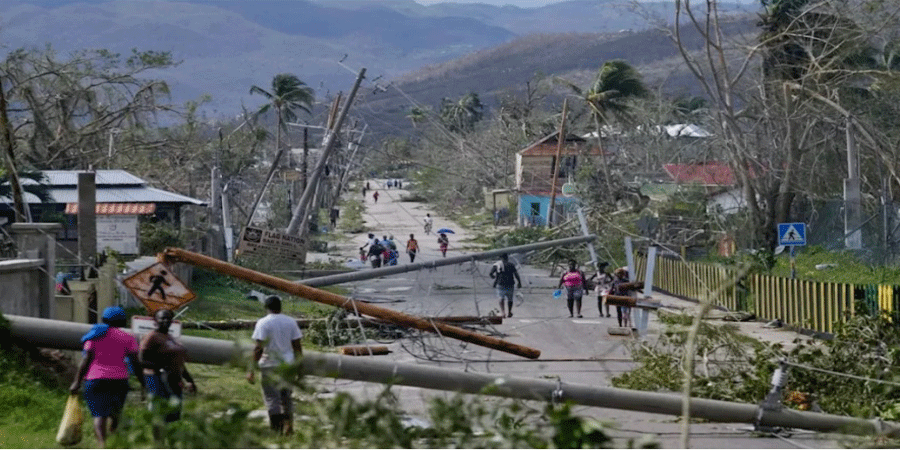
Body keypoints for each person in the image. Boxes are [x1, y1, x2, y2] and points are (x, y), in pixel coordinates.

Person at [70, 306, 146, 448]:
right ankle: (114, 435)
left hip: (95, 379)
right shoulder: (128, 339)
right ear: (123, 322)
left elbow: (86, 361)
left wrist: (76, 382)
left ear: (104, 319)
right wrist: (143, 382)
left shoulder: (94, 336)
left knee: (99, 414)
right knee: (116, 412)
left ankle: (102, 444)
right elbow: (136, 363)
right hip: (119, 380)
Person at [247, 295, 303, 436]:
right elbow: (297, 346)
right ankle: (289, 426)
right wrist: (300, 367)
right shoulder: (291, 322)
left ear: (266, 308)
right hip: (287, 364)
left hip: (269, 364)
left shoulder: (263, 323)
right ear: (280, 307)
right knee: (286, 397)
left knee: (272, 399)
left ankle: (276, 430)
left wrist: (251, 370)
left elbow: (258, 348)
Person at [140, 308, 196, 423]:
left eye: (168, 318)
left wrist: (190, 380)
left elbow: (178, 362)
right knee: (159, 413)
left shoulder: (170, 337)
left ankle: (170, 439)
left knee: (174, 414)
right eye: (162, 318)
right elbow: (141, 360)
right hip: (157, 379)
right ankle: (158, 440)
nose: (166, 320)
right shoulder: (151, 337)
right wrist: (161, 367)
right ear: (155, 321)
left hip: (174, 380)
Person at [489, 253, 522, 318]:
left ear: (500, 258)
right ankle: (509, 312)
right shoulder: (511, 265)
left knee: (501, 298)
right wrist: (519, 282)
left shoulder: (497, 265)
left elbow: (491, 273)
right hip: (510, 283)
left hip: (500, 283)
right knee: (510, 299)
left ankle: (503, 312)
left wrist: (493, 277)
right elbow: (516, 274)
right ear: (507, 258)